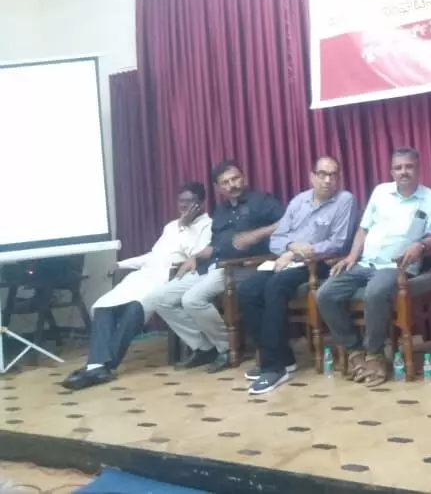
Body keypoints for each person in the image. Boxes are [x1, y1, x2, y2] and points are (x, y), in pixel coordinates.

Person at [60, 183, 212, 391]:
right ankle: (97, 366)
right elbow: (154, 256)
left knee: (135, 308)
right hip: (143, 276)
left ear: (200, 203)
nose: (184, 205)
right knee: (104, 307)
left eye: (189, 201)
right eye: (181, 201)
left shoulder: (207, 225)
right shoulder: (171, 226)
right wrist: (120, 264)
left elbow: (195, 256)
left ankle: (103, 367)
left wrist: (185, 227)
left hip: (171, 278)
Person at [316, 147, 431, 387]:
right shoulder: (380, 192)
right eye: (398, 167)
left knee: (375, 292)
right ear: (391, 171)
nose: (403, 172)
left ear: (418, 168)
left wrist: (420, 245)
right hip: (365, 263)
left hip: (397, 266)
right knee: (325, 294)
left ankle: (374, 355)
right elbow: (363, 229)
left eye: (408, 166)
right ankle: (355, 351)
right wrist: (351, 256)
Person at [238, 157, 357, 395]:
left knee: (276, 286)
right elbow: (276, 239)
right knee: (247, 290)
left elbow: (338, 242)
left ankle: (274, 367)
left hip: (320, 262)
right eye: (322, 174)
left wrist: (298, 253)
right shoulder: (298, 201)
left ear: (339, 178)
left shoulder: (345, 200)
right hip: (287, 259)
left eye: (333, 175)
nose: (327, 180)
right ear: (311, 176)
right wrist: (291, 247)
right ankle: (282, 356)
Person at [153, 160, 284, 374]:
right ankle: (204, 347)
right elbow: (215, 244)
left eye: (236, 179)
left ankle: (227, 348)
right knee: (160, 298)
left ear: (243, 178)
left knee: (192, 299)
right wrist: (195, 256)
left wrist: (254, 236)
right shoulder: (221, 211)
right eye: (226, 182)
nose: (232, 185)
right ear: (218, 188)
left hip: (245, 267)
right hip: (214, 264)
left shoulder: (262, 201)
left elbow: (286, 224)